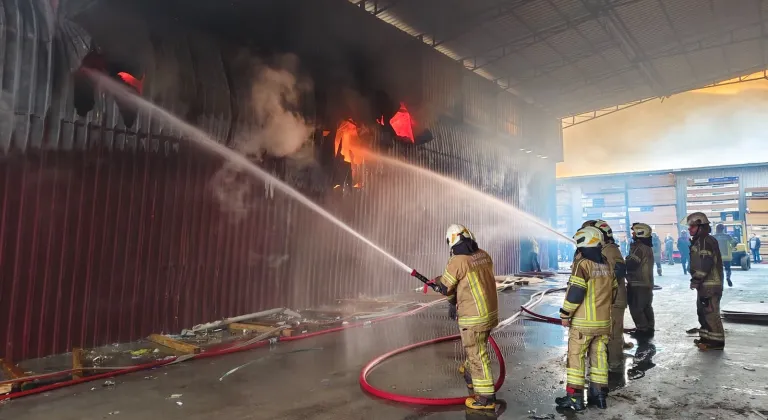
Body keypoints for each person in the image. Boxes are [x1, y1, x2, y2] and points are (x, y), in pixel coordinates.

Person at [432, 224, 498, 410]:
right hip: (489, 313)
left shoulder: (458, 261)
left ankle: (486, 398)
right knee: (478, 347)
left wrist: (438, 282)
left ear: (451, 241)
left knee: (477, 354)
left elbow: (446, 288)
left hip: (473, 316)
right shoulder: (483, 255)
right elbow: (466, 283)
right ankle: (470, 373)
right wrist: (453, 301)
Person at [555, 226, 616, 412]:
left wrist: (565, 314)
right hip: (603, 323)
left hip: (583, 323)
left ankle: (574, 399)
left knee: (576, 358)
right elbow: (614, 292)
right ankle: (598, 396)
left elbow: (575, 292)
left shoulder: (583, 264)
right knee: (599, 358)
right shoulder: (605, 264)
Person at [589, 220, 632, 372]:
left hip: (614, 299)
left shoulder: (610, 249)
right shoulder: (603, 249)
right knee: (613, 330)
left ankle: (615, 363)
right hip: (608, 299)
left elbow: (619, 270)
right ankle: (614, 356)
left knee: (613, 332)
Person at [687, 213, 725, 351]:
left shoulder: (705, 241)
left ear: (701, 226)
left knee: (710, 313)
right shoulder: (700, 240)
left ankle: (716, 342)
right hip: (705, 284)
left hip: (710, 284)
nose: (689, 229)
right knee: (702, 312)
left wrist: (696, 279)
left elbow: (705, 263)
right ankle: (706, 338)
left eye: (692, 226)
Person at [626, 223, 655, 338]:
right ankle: (649, 328)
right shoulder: (647, 247)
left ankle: (642, 330)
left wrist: (623, 263)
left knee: (636, 307)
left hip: (638, 283)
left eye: (634, 232)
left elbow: (632, 264)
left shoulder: (639, 248)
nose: (632, 234)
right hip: (646, 283)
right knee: (646, 307)